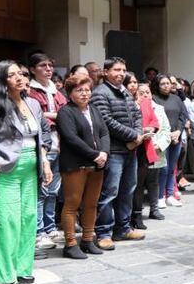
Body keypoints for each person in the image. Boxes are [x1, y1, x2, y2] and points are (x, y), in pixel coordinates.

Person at [0, 60, 53, 284]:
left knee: (29, 218)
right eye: (12, 75)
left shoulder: (32, 103)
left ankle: (23, 269)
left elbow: (43, 134)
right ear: (2, 80)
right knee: (7, 221)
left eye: (21, 74)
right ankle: (3, 275)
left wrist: (45, 161)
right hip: (7, 169)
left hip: (33, 167)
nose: (20, 78)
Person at [90, 59, 146, 249]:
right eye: (116, 70)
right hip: (113, 151)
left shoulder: (125, 92)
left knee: (127, 190)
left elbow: (138, 115)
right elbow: (105, 120)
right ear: (105, 72)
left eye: (123, 70)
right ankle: (104, 232)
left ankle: (123, 228)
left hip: (131, 150)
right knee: (109, 192)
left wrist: (137, 136)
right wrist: (132, 136)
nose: (121, 73)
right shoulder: (100, 93)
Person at [56, 73, 109, 258]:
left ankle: (87, 239)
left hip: (97, 164)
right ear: (70, 93)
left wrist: (104, 153)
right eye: (79, 90)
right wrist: (95, 155)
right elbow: (71, 138)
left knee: (91, 204)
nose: (84, 94)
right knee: (72, 204)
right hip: (75, 165)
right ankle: (70, 243)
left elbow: (104, 133)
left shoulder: (93, 109)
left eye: (87, 90)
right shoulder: (65, 112)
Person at [27, 52, 66, 252]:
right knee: (41, 190)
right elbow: (36, 115)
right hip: (44, 144)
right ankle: (38, 231)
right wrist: (57, 116)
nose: (48, 69)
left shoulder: (56, 91)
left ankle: (50, 227)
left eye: (50, 65)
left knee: (53, 190)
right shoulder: (30, 91)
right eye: (43, 66)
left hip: (59, 143)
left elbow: (65, 113)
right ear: (33, 69)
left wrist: (57, 116)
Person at [131, 82, 167, 227]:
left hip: (149, 146)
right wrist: (142, 130)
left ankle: (146, 212)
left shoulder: (150, 105)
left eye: (147, 92)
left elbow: (157, 123)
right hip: (134, 145)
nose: (145, 95)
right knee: (135, 184)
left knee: (150, 181)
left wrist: (151, 128)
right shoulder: (131, 103)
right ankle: (133, 214)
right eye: (141, 92)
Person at [153, 75, 188, 207]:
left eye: (168, 83)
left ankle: (170, 195)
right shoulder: (154, 98)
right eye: (163, 84)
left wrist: (178, 131)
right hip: (161, 138)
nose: (166, 86)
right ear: (157, 85)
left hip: (176, 137)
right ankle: (160, 196)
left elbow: (183, 116)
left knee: (172, 167)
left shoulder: (177, 98)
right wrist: (167, 135)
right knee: (163, 168)